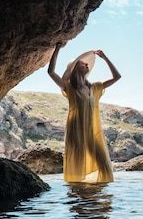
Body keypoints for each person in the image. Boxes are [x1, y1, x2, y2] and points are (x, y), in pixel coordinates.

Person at [48, 41, 121, 183]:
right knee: (78, 164)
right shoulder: (69, 88)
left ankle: (100, 197)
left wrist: (105, 58)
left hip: (92, 132)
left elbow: (117, 77)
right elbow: (51, 72)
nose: (87, 65)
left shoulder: (94, 87)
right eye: (83, 63)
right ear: (75, 68)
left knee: (105, 165)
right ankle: (77, 198)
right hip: (76, 130)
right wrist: (57, 48)